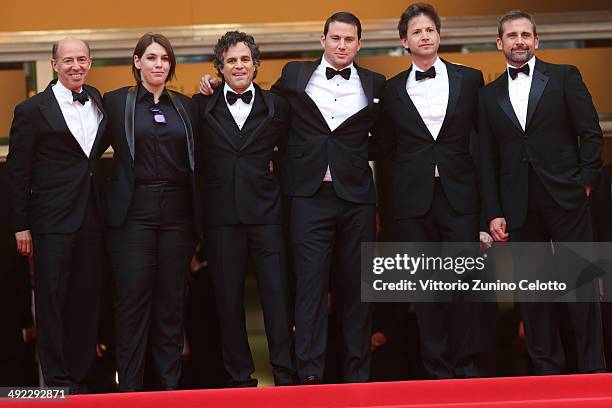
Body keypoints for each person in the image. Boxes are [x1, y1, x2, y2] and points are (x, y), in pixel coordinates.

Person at [478, 10, 605, 374]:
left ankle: (592, 371)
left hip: (567, 197)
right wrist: (494, 210)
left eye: (525, 35)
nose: (519, 41)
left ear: (537, 40)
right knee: (533, 295)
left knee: (581, 287)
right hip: (518, 206)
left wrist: (585, 181)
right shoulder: (488, 96)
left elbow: (591, 133)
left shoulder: (565, 76)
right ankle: (547, 374)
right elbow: (486, 159)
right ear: (499, 43)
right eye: (511, 35)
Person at [369, 2, 487, 379]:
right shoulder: (390, 91)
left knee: (464, 288)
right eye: (417, 31)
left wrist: (488, 211)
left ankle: (467, 368)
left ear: (438, 35)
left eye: (430, 30)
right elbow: (381, 148)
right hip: (411, 202)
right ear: (405, 41)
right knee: (426, 291)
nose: (425, 36)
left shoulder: (471, 79)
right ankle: (436, 373)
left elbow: (484, 146)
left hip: (460, 197)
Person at [271, 12, 385, 384]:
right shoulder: (294, 75)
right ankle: (310, 378)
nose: (341, 45)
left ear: (359, 44)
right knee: (310, 288)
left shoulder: (375, 83)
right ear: (322, 40)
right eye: (335, 38)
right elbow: (265, 114)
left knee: (357, 289)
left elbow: (385, 140)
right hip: (308, 195)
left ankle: (357, 378)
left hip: (356, 198)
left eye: (349, 40)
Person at [191, 31, 295, 387]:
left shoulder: (277, 106)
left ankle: (284, 373)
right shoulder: (200, 106)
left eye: (245, 59)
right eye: (231, 60)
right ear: (219, 67)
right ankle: (239, 379)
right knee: (228, 302)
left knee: (276, 298)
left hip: (266, 214)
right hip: (220, 218)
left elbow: (293, 154)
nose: (239, 65)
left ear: (255, 65)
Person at [6, 37, 107, 393]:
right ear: (53, 64)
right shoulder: (31, 110)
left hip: (92, 219)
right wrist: (20, 225)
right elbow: (17, 173)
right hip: (51, 222)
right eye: (68, 60)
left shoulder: (98, 100)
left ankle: (78, 379)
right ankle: (57, 382)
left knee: (86, 300)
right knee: (51, 304)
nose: (76, 66)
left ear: (90, 62)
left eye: (82, 59)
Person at [101, 33, 197, 391]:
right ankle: (130, 390)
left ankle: (170, 390)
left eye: (165, 59)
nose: (160, 64)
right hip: (134, 213)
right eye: (152, 58)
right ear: (137, 61)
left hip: (177, 214)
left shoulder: (186, 106)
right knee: (132, 304)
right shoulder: (114, 102)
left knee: (171, 304)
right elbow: (84, 149)